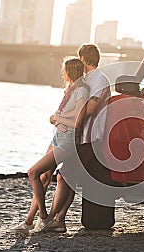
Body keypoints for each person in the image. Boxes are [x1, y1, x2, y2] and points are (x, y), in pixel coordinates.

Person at [12, 57, 90, 233]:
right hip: (57, 138)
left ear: (70, 71)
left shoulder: (82, 91)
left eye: (63, 70)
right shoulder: (70, 90)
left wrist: (57, 118)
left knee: (33, 172)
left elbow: (77, 120)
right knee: (43, 177)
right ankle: (29, 221)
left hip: (67, 142)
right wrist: (56, 121)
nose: (62, 73)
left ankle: (44, 217)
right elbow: (63, 115)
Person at [42, 43, 114, 231]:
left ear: (83, 59)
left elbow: (89, 109)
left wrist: (62, 117)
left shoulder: (99, 79)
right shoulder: (84, 80)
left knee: (65, 176)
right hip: (78, 136)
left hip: (91, 137)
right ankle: (59, 220)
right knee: (67, 177)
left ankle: (52, 219)